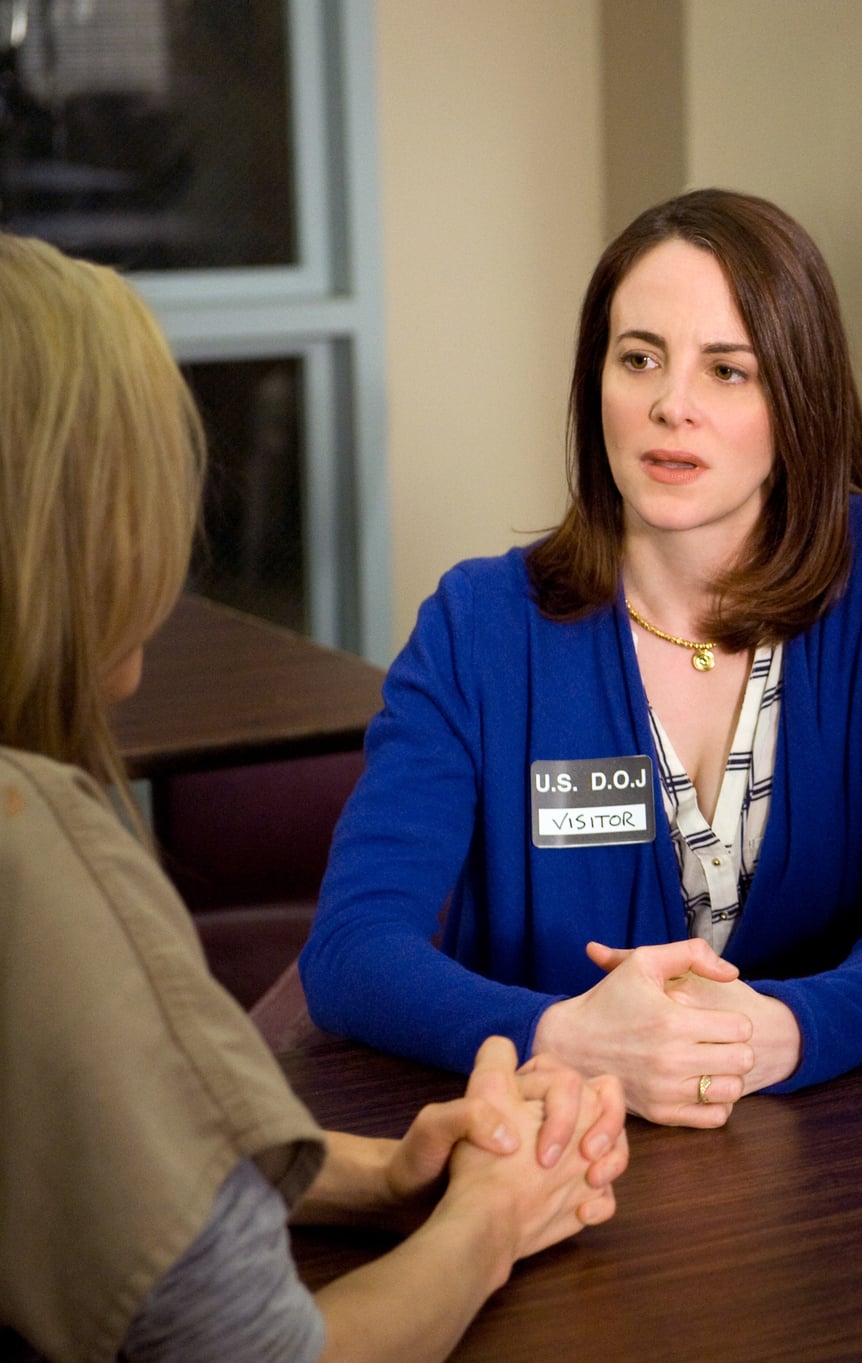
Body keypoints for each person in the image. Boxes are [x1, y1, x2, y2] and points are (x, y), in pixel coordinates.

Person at [0, 232, 630, 1363]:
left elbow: (122, 1148)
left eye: (727, 370)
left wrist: (372, 1174)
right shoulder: (36, 856)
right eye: (638, 361)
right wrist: (488, 1219)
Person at [300, 189, 862, 1124]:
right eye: (640, 360)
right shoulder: (478, 625)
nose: (673, 408)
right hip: (555, 1153)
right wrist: (563, 1037)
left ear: (798, 398)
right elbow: (351, 950)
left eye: (728, 371)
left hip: (827, 1157)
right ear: (598, 383)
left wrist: (786, 1029)